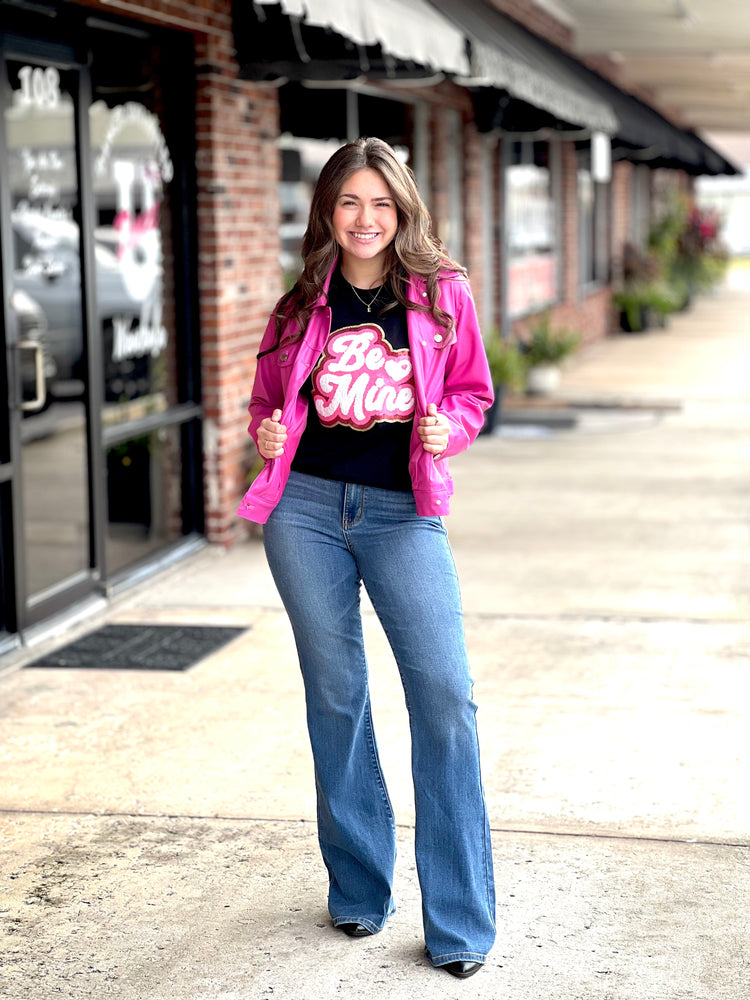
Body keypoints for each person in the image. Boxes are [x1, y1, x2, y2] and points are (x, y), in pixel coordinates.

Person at [237, 137, 495, 979]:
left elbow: (472, 394)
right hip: (305, 513)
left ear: (403, 209)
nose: (365, 218)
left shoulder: (440, 294)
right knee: (338, 697)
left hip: (401, 515)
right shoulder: (299, 302)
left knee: (445, 696)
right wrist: (267, 433)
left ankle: (458, 922)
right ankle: (358, 888)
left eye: (381, 202)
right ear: (327, 210)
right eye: (350, 202)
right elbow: (268, 404)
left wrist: (448, 428)